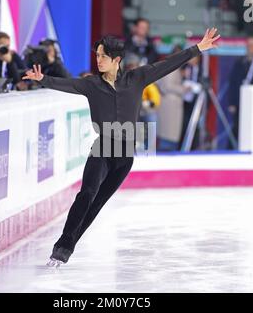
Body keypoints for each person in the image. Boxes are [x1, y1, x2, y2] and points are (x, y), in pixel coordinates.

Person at [23, 28, 221, 266]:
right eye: (97, 56)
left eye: (102, 56)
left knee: (96, 204)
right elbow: (67, 84)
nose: (98, 60)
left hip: (125, 155)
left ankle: (65, 249)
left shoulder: (136, 78)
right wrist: (42, 79)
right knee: (86, 195)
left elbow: (167, 64)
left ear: (116, 60)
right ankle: (62, 247)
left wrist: (197, 48)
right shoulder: (91, 85)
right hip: (103, 148)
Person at [227, 36, 253, 149]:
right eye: (249, 46)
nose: (251, 48)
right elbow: (233, 83)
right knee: (238, 126)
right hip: (240, 102)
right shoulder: (239, 63)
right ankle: (233, 149)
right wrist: (232, 102)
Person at [156, 45, 187, 151]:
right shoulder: (171, 68)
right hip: (170, 106)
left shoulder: (170, 66)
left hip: (170, 106)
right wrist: (184, 88)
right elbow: (167, 86)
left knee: (168, 137)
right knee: (168, 139)